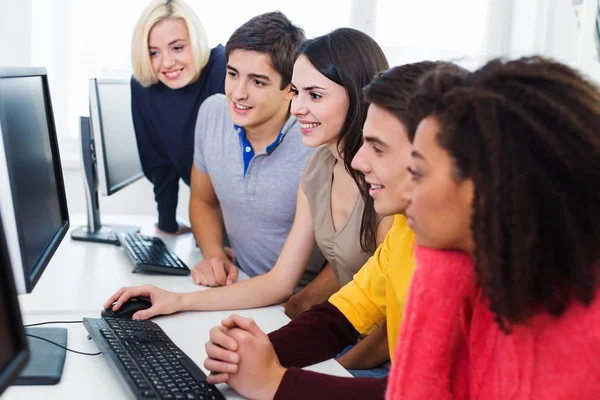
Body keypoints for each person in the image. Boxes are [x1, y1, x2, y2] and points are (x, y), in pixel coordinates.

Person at [105, 28, 393, 373]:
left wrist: (325, 368)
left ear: (360, 96)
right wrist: (178, 301)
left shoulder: (387, 185)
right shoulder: (317, 165)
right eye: (297, 93)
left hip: (382, 358)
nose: (297, 108)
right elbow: (278, 281)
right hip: (341, 336)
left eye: (314, 96)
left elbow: (393, 328)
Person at [201, 61, 462, 399]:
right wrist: (253, 351)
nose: (359, 161)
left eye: (378, 148)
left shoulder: (472, 268)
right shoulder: (406, 227)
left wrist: (274, 383)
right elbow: (343, 314)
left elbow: (426, 393)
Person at [386, 57, 600, 399]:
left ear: (486, 187)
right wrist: (441, 268)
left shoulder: (588, 335)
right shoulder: (490, 281)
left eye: (417, 173)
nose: (404, 191)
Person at [130, 0, 226, 234]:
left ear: (195, 41)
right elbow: (159, 164)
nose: (167, 63)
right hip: (207, 219)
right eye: (154, 52)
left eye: (178, 48)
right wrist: (167, 223)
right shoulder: (144, 87)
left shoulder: (224, 68)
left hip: (251, 218)